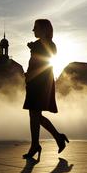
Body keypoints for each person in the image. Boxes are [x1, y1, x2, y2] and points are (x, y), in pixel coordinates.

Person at [23, 19, 69, 159]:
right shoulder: (40, 44)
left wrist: (35, 48)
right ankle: (57, 138)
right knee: (36, 115)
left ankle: (36, 145)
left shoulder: (49, 45)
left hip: (40, 83)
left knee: (34, 114)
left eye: (35, 27)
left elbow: (45, 60)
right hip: (36, 82)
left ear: (43, 29)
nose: (33, 30)